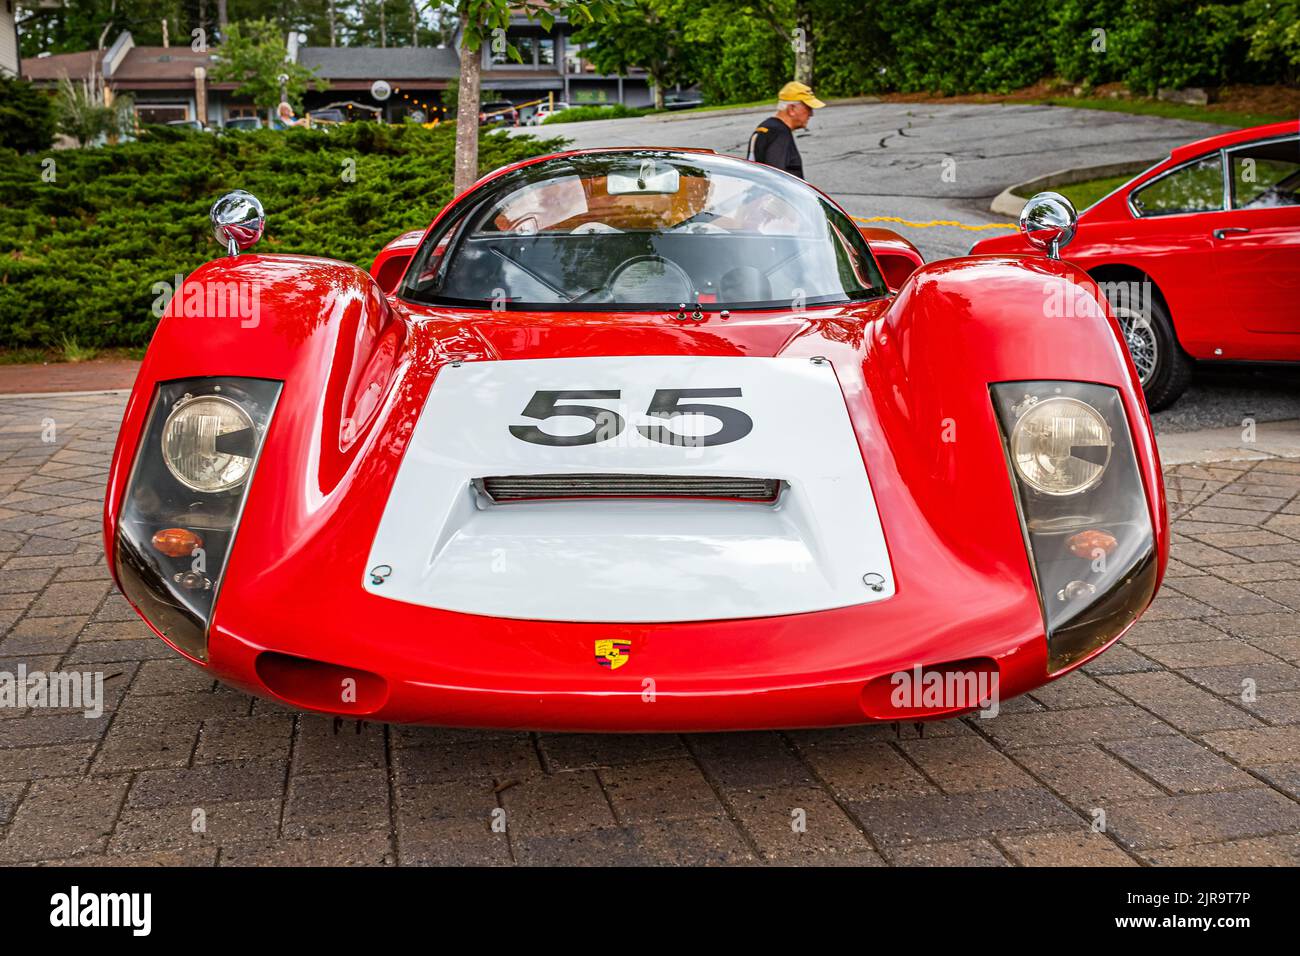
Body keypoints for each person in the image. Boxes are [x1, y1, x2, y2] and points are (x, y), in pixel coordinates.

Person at [747, 81, 825, 179]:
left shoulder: (766, 127)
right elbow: (778, 178)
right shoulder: (779, 134)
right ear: (791, 109)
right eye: (808, 108)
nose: (811, 114)